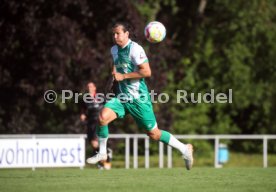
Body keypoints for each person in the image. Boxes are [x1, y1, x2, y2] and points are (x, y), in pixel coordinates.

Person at [86, 22, 194, 170]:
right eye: (113, 34)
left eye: (118, 33)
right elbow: (116, 66)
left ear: (126, 34)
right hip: (122, 98)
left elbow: (146, 72)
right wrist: (112, 80)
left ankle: (184, 149)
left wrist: (123, 77)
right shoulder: (114, 50)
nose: (115, 36)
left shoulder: (135, 49)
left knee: (154, 134)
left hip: (139, 99)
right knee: (102, 118)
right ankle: (102, 153)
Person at [80, 82, 112, 169]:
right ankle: (104, 158)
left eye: (91, 86)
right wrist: (83, 115)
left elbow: (108, 106)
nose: (89, 88)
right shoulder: (85, 99)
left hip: (99, 121)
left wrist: (106, 116)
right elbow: (83, 110)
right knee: (92, 143)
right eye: (88, 86)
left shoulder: (100, 97)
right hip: (90, 122)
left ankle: (104, 156)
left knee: (95, 143)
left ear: (95, 87)